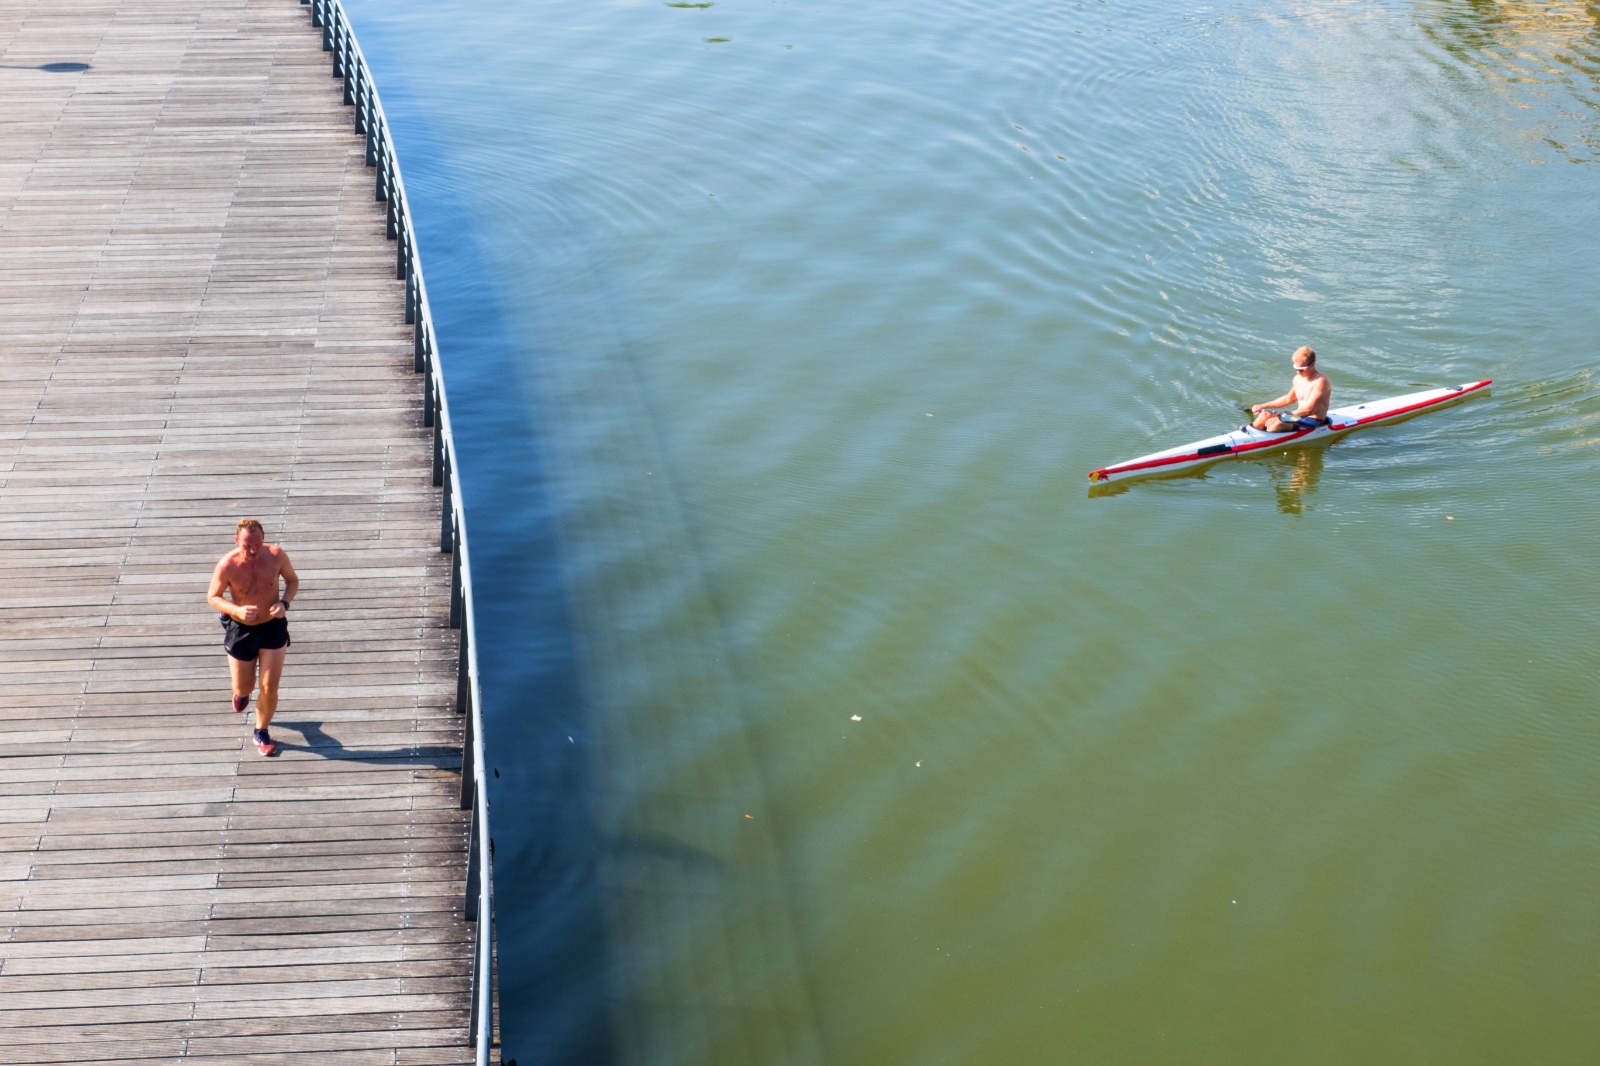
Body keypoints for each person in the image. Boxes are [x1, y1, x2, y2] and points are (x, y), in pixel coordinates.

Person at [207, 518, 299, 756]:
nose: (253, 551)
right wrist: (236, 611)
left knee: (269, 686)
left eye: (257, 545)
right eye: (247, 546)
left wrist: (284, 603)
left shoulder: (277, 556)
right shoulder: (227, 564)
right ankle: (241, 694)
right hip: (241, 629)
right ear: (236, 541)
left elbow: (292, 580)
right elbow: (213, 596)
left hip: (272, 627)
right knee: (243, 686)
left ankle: (261, 730)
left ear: (263, 539)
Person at [1250, 346, 1332, 432]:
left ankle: (1266, 438)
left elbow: (1308, 410)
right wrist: (1262, 406)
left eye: (1301, 369)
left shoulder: (1321, 381)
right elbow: (1288, 399)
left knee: (1278, 424)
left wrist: (1282, 418)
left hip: (1313, 421)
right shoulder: (1297, 379)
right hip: (1297, 417)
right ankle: (1251, 436)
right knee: (1264, 415)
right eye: (1296, 368)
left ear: (1312, 365)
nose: (1298, 372)